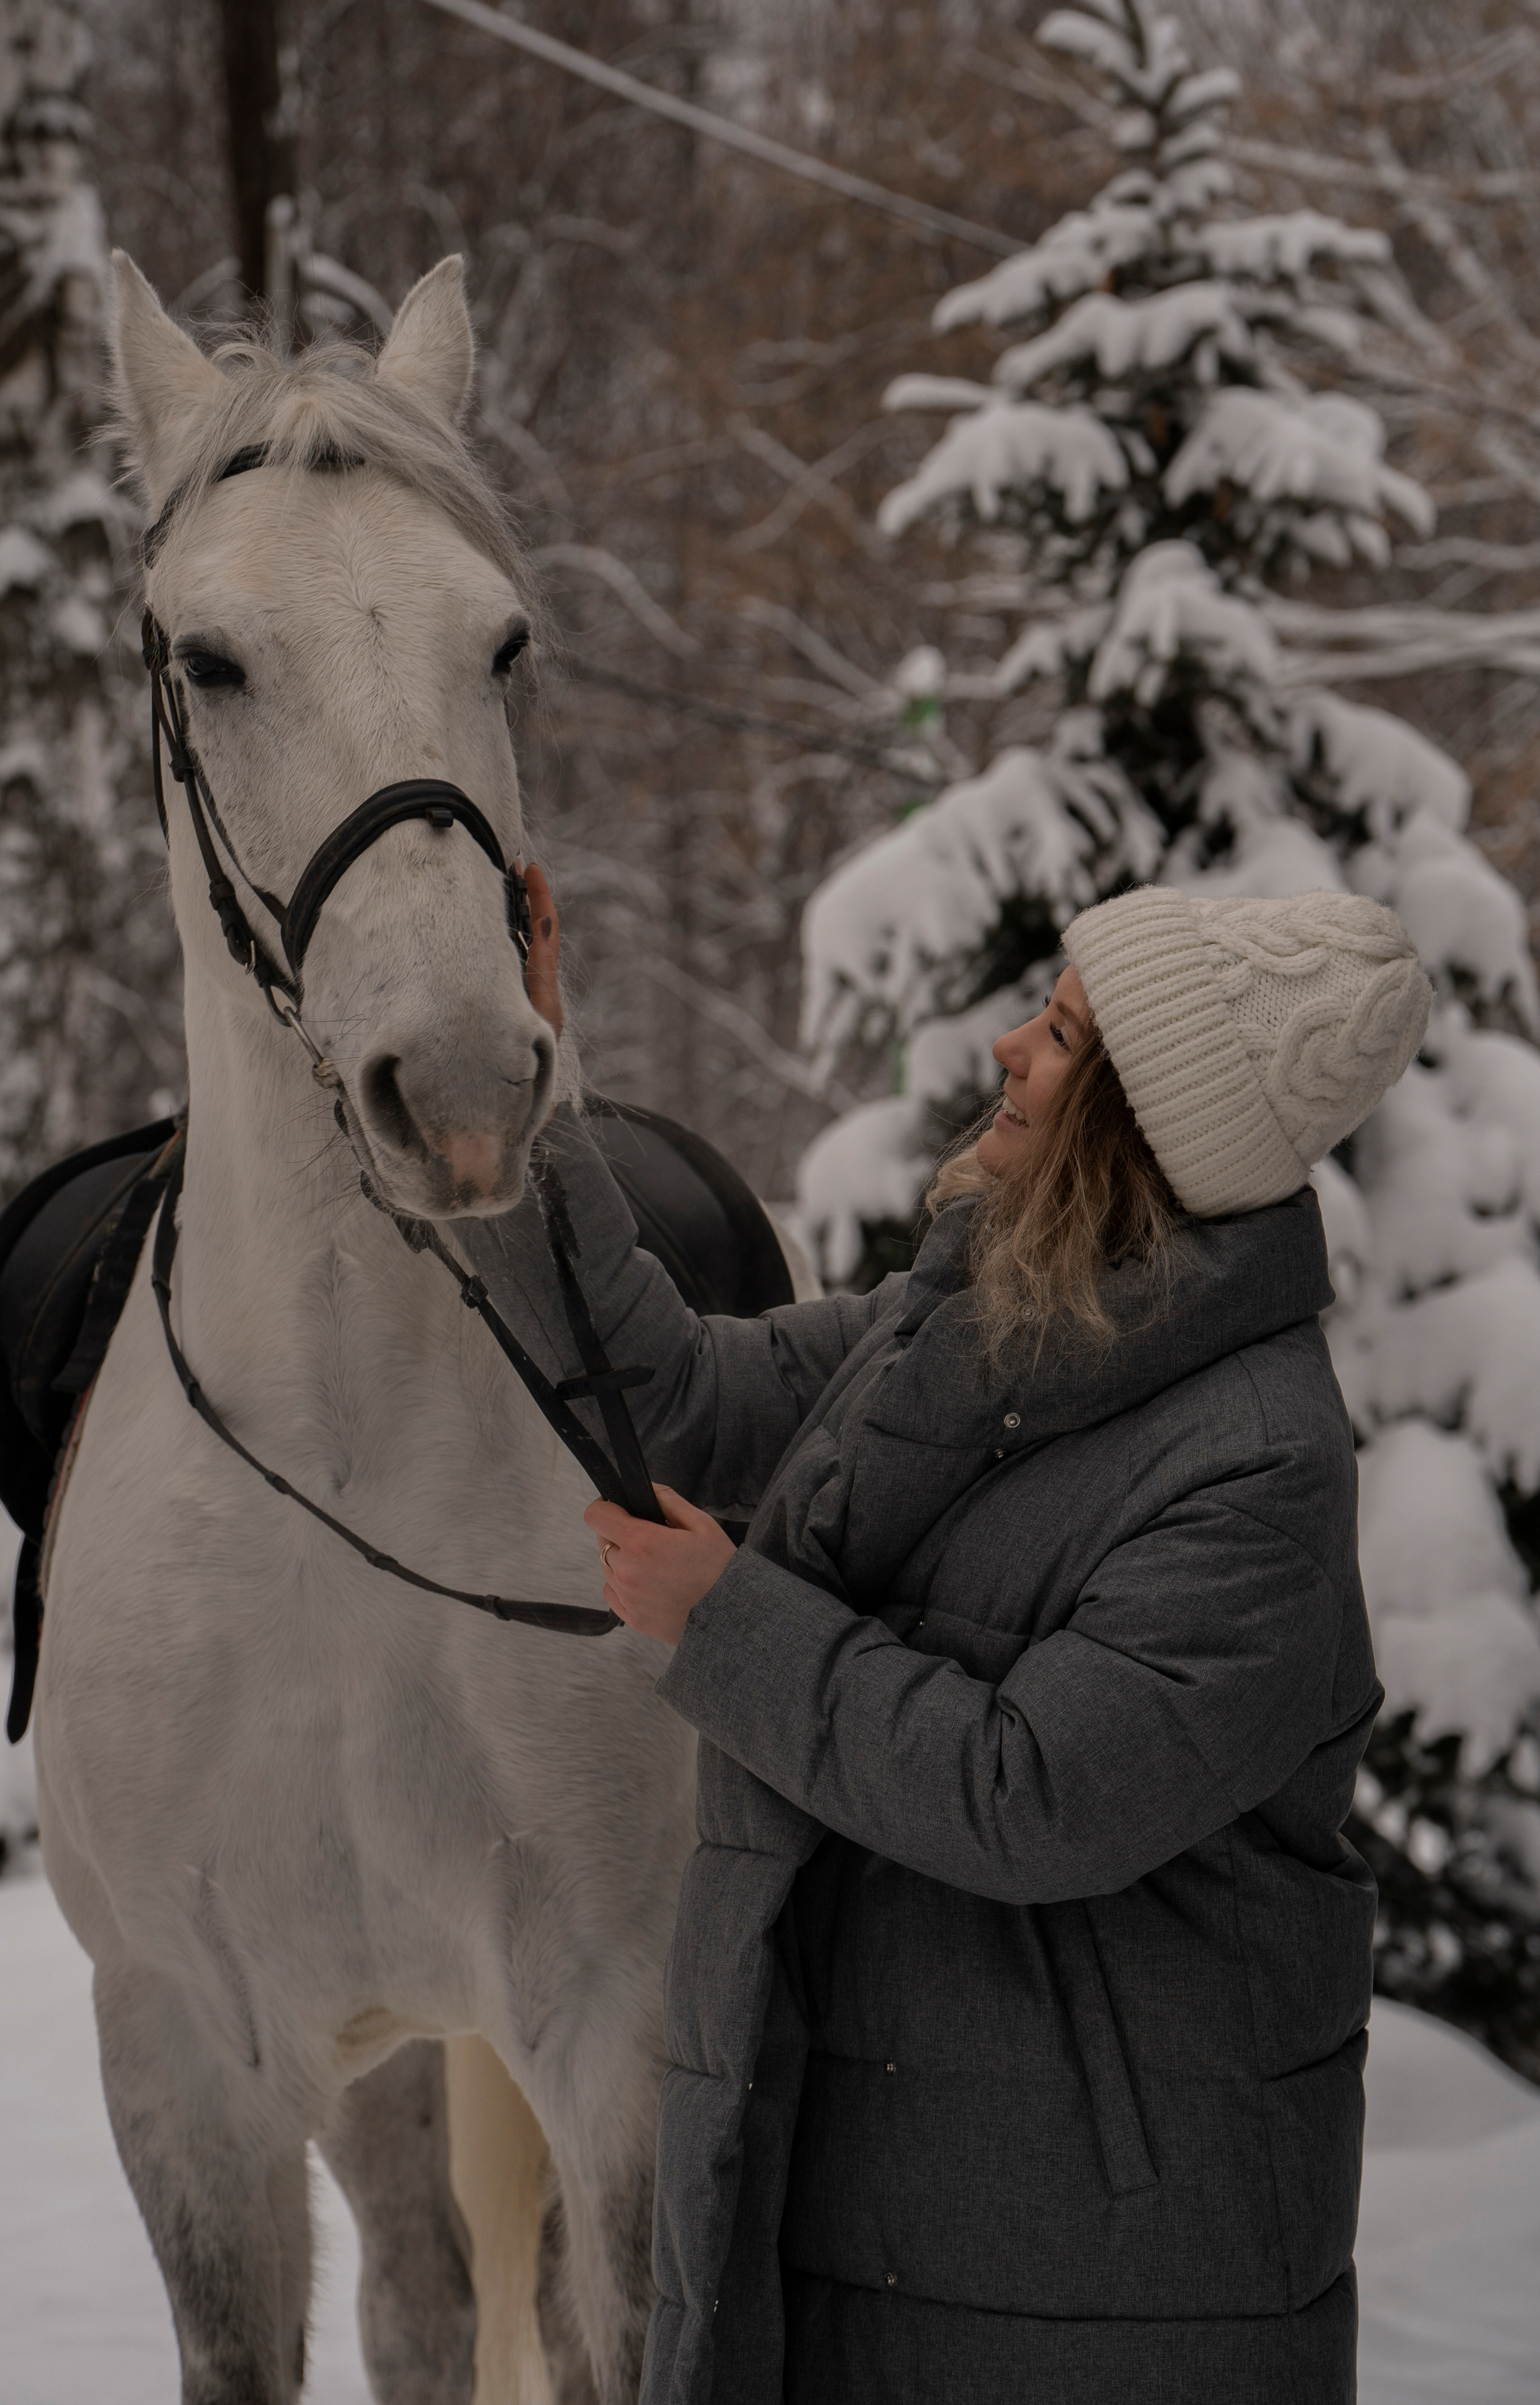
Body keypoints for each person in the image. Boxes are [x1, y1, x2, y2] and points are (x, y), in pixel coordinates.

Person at [484, 873, 1431, 2405]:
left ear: (1141, 1127)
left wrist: (725, 1623)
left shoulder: (1252, 1459)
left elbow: (1035, 1797)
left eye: (1056, 1036)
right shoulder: (973, 1323)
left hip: (1101, 2281)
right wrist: (528, 1089)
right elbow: (678, 1400)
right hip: (863, 2181)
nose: (1004, 1048)